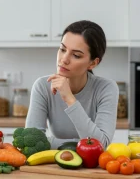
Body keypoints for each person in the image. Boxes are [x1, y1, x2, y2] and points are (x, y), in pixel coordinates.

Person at [25, 20, 119, 150]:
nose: (64, 59)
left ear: (93, 63)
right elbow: (31, 141)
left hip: (93, 169)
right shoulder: (43, 86)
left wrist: (69, 99)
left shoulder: (106, 88)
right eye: (62, 49)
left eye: (76, 55)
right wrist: (81, 144)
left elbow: (101, 145)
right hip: (56, 165)